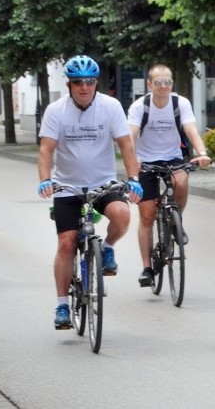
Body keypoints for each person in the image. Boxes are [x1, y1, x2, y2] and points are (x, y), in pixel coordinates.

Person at [36, 55, 143, 330]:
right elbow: (46, 149)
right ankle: (62, 305)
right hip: (67, 186)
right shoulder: (56, 110)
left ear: (97, 83)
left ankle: (106, 248)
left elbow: (126, 145)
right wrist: (45, 180)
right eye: (78, 82)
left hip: (102, 183)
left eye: (90, 82)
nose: (84, 87)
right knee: (66, 243)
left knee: (122, 215)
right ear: (69, 85)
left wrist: (133, 178)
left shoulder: (111, 107)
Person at [127, 64, 213, 287]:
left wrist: (202, 153)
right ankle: (147, 268)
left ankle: (175, 220)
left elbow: (190, 128)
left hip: (172, 157)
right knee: (146, 214)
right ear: (149, 84)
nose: (164, 86)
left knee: (181, 179)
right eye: (158, 82)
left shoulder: (179, 103)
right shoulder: (140, 106)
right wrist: (132, 159)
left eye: (168, 82)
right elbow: (131, 135)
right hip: (145, 161)